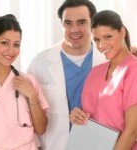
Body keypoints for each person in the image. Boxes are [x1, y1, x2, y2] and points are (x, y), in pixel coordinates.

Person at [28, 0, 106, 150]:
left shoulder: (108, 59)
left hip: (97, 144)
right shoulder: (40, 62)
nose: (74, 29)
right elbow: (26, 109)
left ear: (93, 23)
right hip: (54, 145)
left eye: (81, 22)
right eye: (68, 23)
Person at [70, 10, 137, 150]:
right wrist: (77, 116)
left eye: (107, 37)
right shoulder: (95, 72)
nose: (101, 45)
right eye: (97, 40)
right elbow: (91, 116)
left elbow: (132, 132)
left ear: (122, 32)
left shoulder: (133, 69)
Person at [0, 14, 48, 150]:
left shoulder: (28, 81)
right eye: (4, 43)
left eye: (16, 45)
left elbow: (41, 129)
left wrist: (32, 97)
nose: (11, 50)